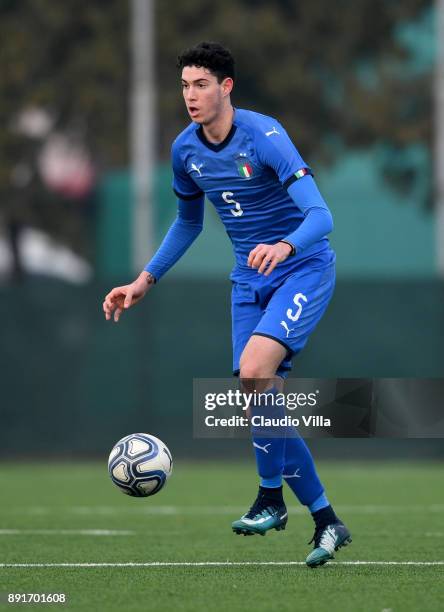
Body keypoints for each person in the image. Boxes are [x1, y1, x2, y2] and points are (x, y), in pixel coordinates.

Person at [103, 41, 352, 568]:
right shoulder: (184, 150)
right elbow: (189, 223)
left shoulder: (265, 136)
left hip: (303, 267)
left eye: (200, 85)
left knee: (256, 371)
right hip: (247, 280)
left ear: (226, 87)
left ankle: (269, 499)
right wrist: (145, 279)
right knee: (258, 392)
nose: (190, 96)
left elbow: (322, 217)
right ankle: (327, 519)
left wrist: (284, 245)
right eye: (185, 86)